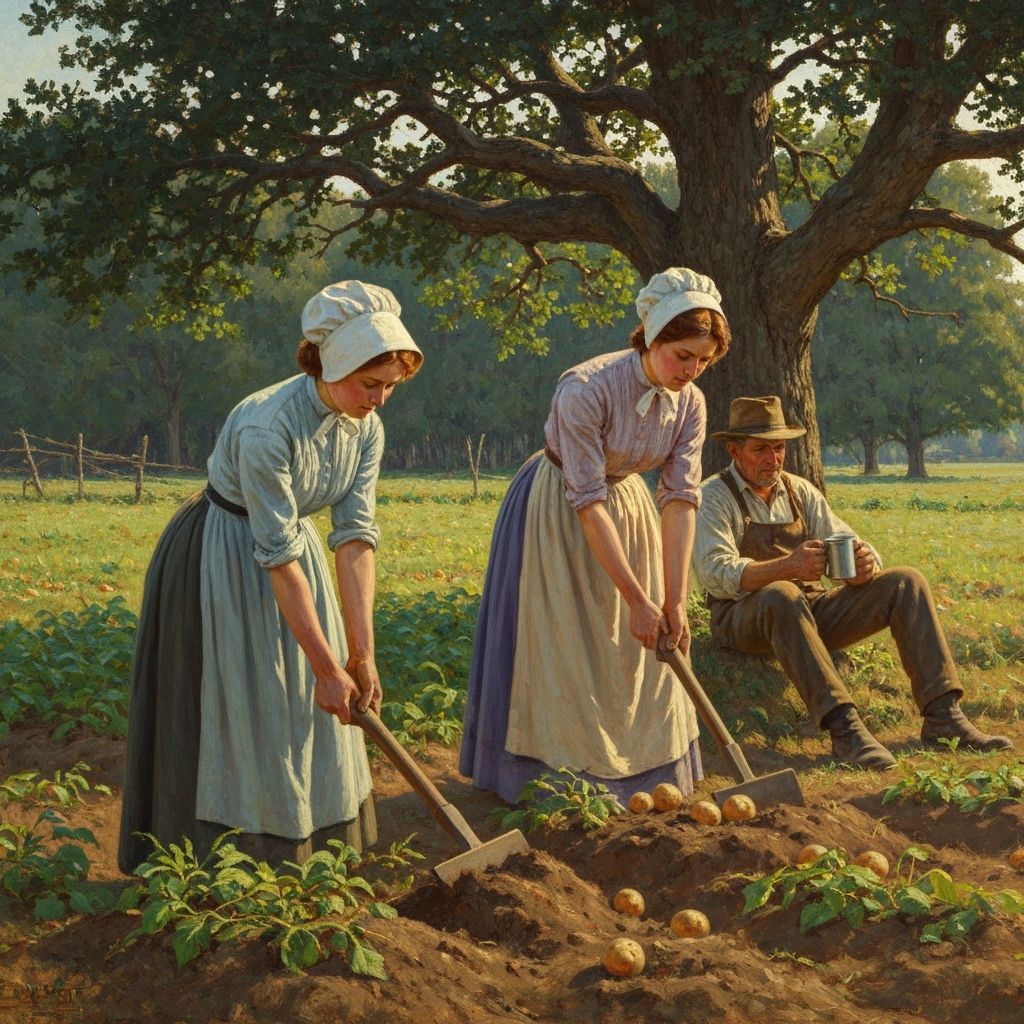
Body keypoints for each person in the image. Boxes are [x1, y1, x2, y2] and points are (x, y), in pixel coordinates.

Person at [118, 280, 423, 872]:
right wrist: (327, 667)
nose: (381, 399)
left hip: (295, 553)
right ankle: (221, 860)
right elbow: (276, 554)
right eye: (370, 384)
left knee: (307, 706)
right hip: (221, 559)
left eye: (391, 386)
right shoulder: (266, 426)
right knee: (243, 700)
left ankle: (307, 847)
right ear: (332, 365)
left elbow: (356, 538)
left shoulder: (366, 430)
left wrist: (361, 655)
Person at [459, 267, 731, 805]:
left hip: (627, 508)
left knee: (642, 651)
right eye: (683, 356)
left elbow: (680, 499)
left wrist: (673, 601)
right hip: (560, 508)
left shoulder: (691, 404)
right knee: (566, 643)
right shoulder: (585, 388)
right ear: (654, 338)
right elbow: (586, 500)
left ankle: (643, 773)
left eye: (704, 361)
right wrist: (637, 600)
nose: (692, 371)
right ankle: (559, 777)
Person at [692, 396, 1013, 771]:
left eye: (779, 448)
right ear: (734, 449)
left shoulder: (799, 490)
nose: (773, 458)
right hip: (742, 618)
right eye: (760, 449)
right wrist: (787, 566)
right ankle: (845, 731)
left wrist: (864, 565)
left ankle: (943, 717)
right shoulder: (713, 496)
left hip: (805, 612)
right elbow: (716, 573)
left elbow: (845, 537)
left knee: (906, 582)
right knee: (783, 593)